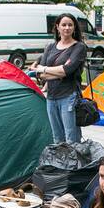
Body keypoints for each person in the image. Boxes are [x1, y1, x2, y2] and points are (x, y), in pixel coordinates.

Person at [32, 13, 87, 144]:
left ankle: (74, 164)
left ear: (74, 28)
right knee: (57, 138)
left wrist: (44, 69)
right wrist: (54, 72)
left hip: (69, 97)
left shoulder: (79, 47)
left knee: (71, 139)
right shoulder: (50, 47)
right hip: (51, 97)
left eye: (70, 25)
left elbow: (66, 70)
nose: (67, 28)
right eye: (64, 25)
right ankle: (61, 164)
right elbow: (39, 75)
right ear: (57, 27)